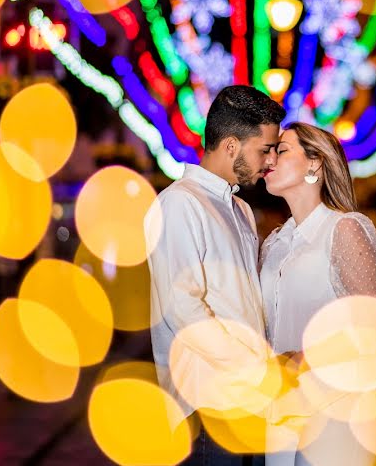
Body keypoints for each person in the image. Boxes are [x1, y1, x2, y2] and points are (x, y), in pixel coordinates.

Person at [145, 85, 285, 466]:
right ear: (231, 146)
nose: (271, 161)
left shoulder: (239, 208)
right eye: (264, 149)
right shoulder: (177, 204)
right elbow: (182, 308)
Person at [259, 123, 376, 466]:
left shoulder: (343, 229)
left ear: (315, 164)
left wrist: (305, 358)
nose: (270, 158)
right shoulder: (274, 244)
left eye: (283, 149)